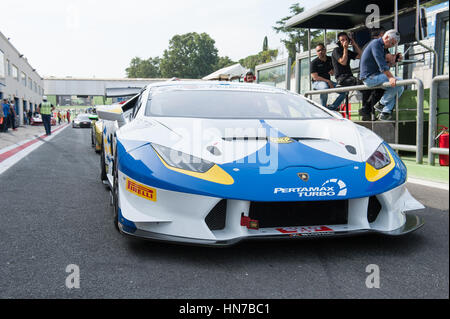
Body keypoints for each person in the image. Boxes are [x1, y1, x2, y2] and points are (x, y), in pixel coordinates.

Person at [360, 29, 404, 121]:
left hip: (376, 76)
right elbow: (382, 65)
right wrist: (391, 77)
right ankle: (381, 104)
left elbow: (386, 64)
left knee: (400, 87)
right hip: (369, 77)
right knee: (399, 81)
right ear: (386, 37)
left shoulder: (382, 47)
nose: (391, 46)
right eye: (391, 43)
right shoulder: (376, 44)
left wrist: (394, 59)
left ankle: (385, 112)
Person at [311, 43, 347, 110]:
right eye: (318, 51)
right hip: (317, 82)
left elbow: (334, 71)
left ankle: (332, 108)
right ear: (316, 52)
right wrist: (328, 81)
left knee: (344, 91)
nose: (320, 52)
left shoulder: (330, 59)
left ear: (325, 50)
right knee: (324, 88)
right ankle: (324, 108)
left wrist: (333, 71)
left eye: (322, 50)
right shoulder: (314, 62)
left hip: (328, 82)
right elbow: (315, 77)